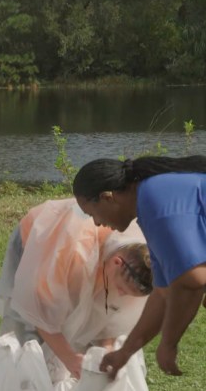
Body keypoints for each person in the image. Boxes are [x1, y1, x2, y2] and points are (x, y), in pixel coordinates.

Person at [72, 155, 206, 378]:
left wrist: (169, 343)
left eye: (91, 213)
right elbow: (164, 292)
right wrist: (124, 353)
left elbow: (191, 282)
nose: (96, 223)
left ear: (107, 197)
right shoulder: (150, 204)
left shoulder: (158, 204)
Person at [0, 198, 153, 382]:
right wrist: (70, 358)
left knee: (77, 328)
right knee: (28, 333)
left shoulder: (141, 258)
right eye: (122, 289)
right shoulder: (73, 253)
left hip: (91, 249)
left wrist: (106, 350)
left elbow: (110, 315)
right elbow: (37, 308)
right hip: (37, 238)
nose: (122, 295)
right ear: (116, 262)